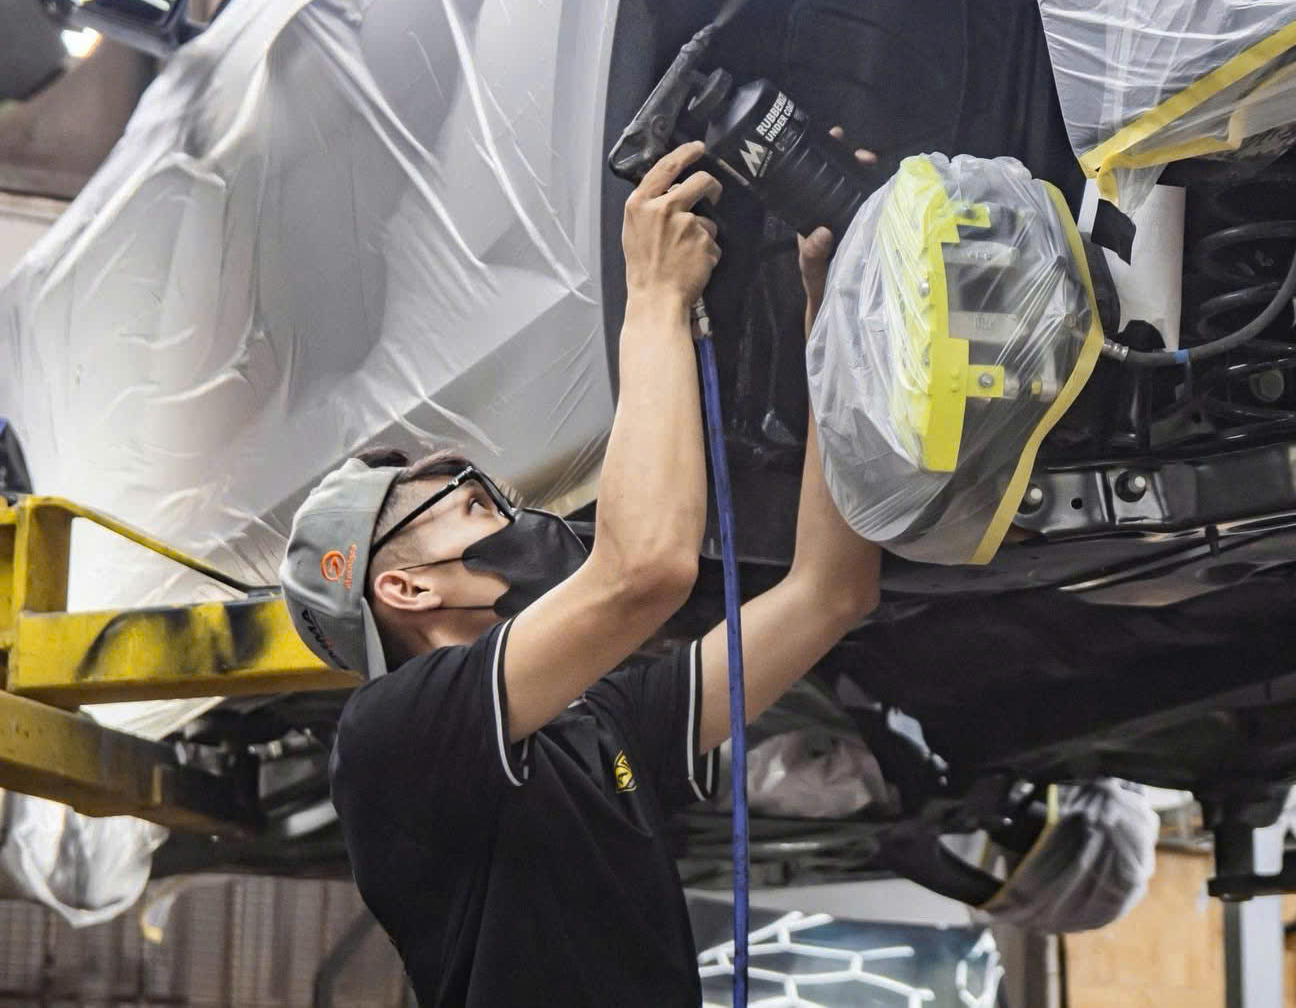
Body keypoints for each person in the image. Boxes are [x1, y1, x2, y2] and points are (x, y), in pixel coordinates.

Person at [278, 140, 880, 1006]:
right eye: (473, 506)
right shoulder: (392, 742)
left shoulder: (599, 725)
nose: (512, 515)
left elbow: (831, 593)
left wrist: (832, 324)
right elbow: (643, 569)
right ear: (405, 588)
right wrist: (654, 298)